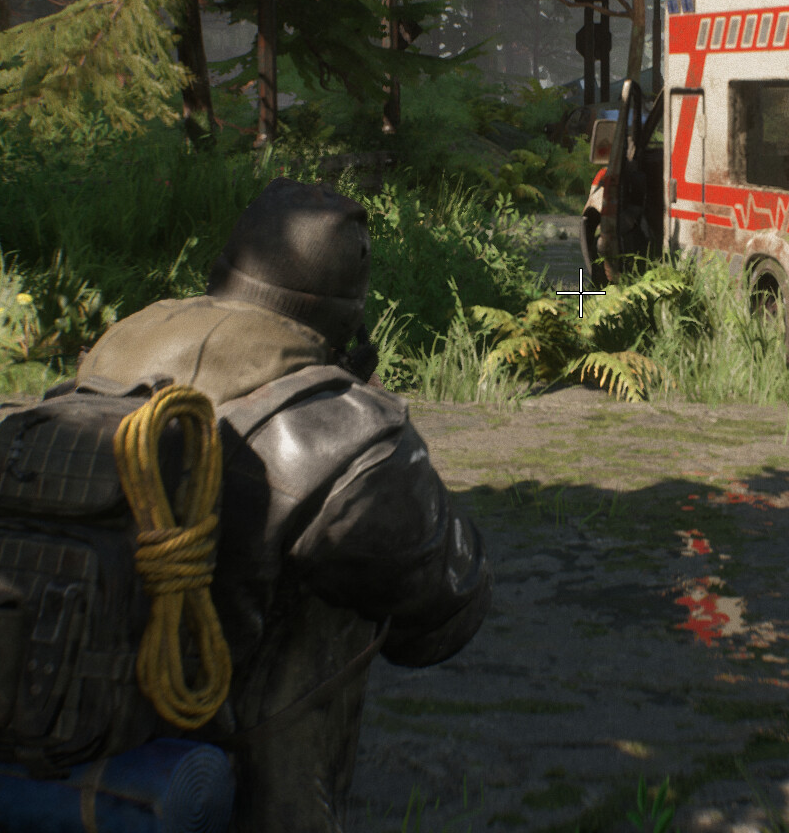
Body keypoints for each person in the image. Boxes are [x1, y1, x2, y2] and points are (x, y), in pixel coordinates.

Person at [72, 177, 491, 833]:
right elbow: (443, 613)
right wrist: (378, 424)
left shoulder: (105, 365)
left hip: (56, 716)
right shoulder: (342, 433)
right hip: (213, 763)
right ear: (347, 309)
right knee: (337, 592)